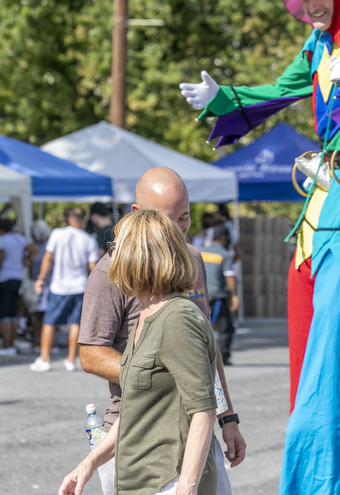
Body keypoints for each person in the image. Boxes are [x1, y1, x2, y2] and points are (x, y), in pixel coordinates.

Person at [180, 0, 340, 493]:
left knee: (333, 339)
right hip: (323, 196)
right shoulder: (318, 46)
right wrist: (224, 100)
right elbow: (278, 93)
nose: (310, 5)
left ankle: (324, 478)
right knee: (311, 334)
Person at [80, 167, 246, 495]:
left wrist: (228, 418)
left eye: (183, 217)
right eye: (166, 219)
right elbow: (90, 354)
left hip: (196, 426)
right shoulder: (109, 272)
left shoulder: (193, 259)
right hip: (135, 430)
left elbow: (206, 349)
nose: (176, 229)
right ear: (137, 215)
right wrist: (161, 375)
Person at [59, 209, 219, 495]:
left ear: (140, 255)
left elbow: (203, 409)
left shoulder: (176, 318)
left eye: (116, 247)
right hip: (138, 482)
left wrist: (187, 486)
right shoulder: (146, 315)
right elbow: (133, 410)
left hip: (168, 481)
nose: (110, 257)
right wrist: (88, 464)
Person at [31, 208, 99, 372]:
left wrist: (41, 278)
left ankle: (45, 358)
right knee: (75, 323)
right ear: (84, 221)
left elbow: (48, 257)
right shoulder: (89, 240)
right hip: (80, 286)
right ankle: (70, 359)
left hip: (59, 286)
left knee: (49, 321)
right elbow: (92, 267)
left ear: (69, 219)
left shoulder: (57, 233)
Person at [0, 217, 38, 357]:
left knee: (4, 314)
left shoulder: (2, 240)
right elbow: (35, 250)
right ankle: (12, 342)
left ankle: (7, 345)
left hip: (4, 277)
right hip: (18, 277)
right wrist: (25, 260)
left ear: (0, 230)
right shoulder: (20, 238)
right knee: (13, 312)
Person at [200, 225, 238, 366]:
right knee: (226, 328)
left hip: (199, 296)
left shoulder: (201, 251)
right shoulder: (225, 254)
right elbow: (229, 276)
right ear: (223, 237)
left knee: (201, 327)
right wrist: (234, 295)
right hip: (216, 298)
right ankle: (222, 358)